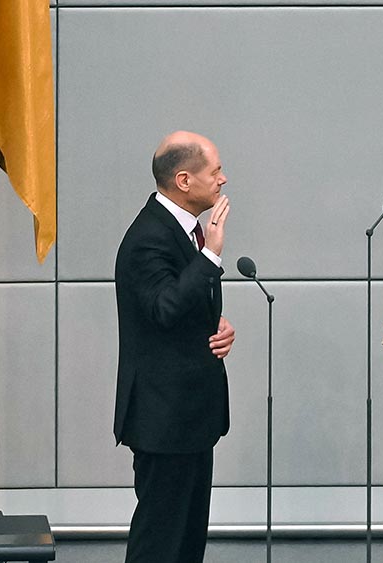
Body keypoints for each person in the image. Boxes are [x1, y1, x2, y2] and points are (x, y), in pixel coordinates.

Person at [113, 130, 236, 563]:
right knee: (159, 544)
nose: (222, 179)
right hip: (163, 421)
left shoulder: (184, 231)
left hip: (191, 419)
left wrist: (216, 326)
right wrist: (211, 257)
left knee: (185, 544)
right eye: (215, 170)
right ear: (184, 181)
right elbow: (163, 308)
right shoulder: (149, 237)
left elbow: (175, 311)